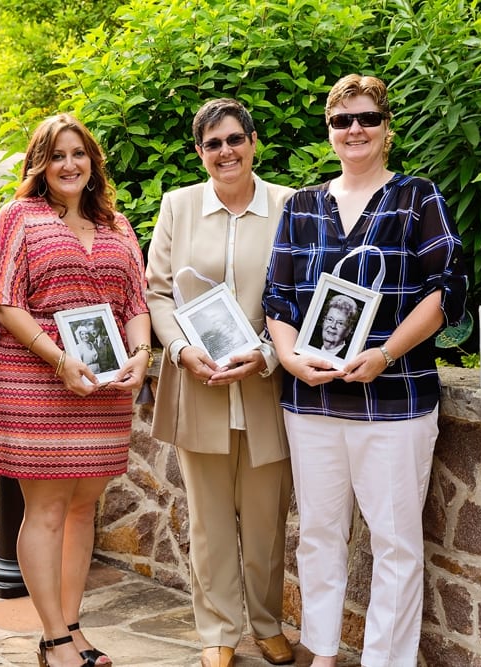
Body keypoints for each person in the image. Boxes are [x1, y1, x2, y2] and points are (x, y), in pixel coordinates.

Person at [264, 74, 468, 667]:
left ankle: (385, 661)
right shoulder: (301, 206)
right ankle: (322, 653)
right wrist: (288, 357)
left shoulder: (417, 198)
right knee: (320, 536)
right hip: (312, 405)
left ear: (386, 127)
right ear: (329, 131)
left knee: (395, 544)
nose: (355, 130)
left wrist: (384, 354)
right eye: (341, 120)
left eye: (367, 119)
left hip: (395, 402)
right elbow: (278, 299)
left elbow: (445, 292)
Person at [0, 113, 152, 667]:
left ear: (92, 161)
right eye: (56, 156)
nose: (69, 164)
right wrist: (58, 359)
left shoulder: (119, 226)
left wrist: (142, 355)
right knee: (46, 511)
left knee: (82, 510)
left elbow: (137, 305)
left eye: (78, 153)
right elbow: (3, 303)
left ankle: (73, 629)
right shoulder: (18, 218)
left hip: (103, 387)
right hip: (37, 381)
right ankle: (52, 639)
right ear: (40, 165)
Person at [145, 98, 295, 667]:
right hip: (198, 383)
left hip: (265, 384)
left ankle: (266, 622)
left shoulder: (290, 206)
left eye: (235, 139)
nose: (225, 151)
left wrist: (265, 356)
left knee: (265, 520)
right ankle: (218, 631)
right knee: (207, 521)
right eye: (213, 144)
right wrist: (180, 351)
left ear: (253, 142)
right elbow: (157, 290)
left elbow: (302, 292)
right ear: (201, 153)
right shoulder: (178, 207)